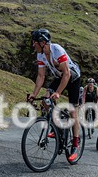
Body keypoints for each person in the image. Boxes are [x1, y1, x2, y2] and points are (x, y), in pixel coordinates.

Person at [27, 28, 82, 163]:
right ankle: (57, 127)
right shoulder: (40, 55)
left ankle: (75, 144)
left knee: (73, 111)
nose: (33, 45)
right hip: (60, 77)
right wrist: (34, 94)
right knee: (45, 100)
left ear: (42, 42)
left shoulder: (56, 50)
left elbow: (67, 74)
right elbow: (41, 76)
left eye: (35, 42)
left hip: (72, 77)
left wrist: (58, 92)